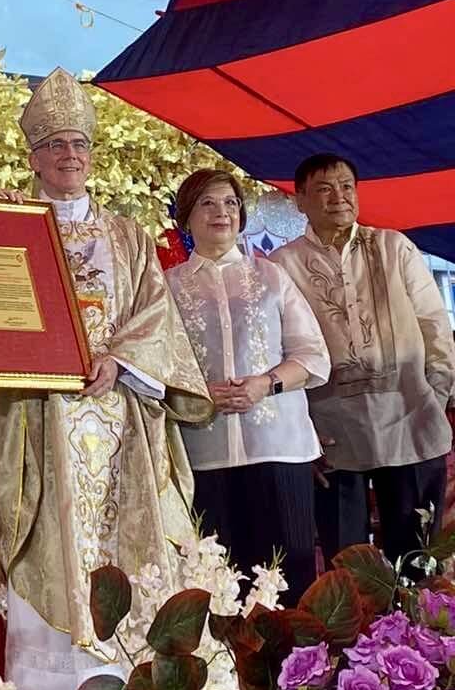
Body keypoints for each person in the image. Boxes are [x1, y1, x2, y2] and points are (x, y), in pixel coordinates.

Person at [0, 68, 211, 690]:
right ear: (33, 157)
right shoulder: (6, 227)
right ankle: (54, 687)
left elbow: (155, 313)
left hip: (116, 415)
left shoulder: (127, 235)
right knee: (47, 532)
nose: (68, 156)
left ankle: (132, 668)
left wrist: (117, 358)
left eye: (78, 145)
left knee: (128, 536)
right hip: (41, 412)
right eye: (54, 144)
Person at [270, 153, 455, 568]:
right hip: (333, 433)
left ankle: (418, 635)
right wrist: (303, 433)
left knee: (418, 560)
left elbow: (434, 325)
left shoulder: (393, 246)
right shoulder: (284, 264)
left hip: (411, 421)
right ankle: (358, 637)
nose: (339, 197)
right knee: (347, 569)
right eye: (324, 188)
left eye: (347, 186)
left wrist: (433, 398)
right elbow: (281, 349)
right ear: (299, 200)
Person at [166, 169, 330, 604]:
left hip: (279, 448)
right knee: (218, 581)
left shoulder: (271, 277)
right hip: (204, 455)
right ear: (186, 217)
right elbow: (156, 369)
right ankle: (230, 673)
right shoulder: (168, 288)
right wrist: (198, 391)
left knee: (289, 574)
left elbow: (313, 357)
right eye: (208, 203)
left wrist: (265, 384)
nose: (222, 212)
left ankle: (298, 669)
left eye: (231, 203)